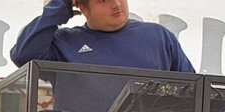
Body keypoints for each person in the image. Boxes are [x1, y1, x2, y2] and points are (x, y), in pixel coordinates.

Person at [10, 0, 193, 72]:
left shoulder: (159, 36)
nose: (116, 4)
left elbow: (194, 93)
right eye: (103, 0)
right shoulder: (64, 42)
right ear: (82, 8)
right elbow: (23, 55)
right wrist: (59, 7)